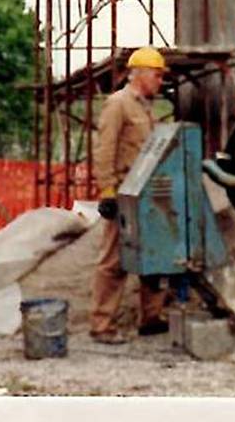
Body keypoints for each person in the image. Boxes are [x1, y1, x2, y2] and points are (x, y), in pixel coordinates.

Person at [89, 46, 170, 344]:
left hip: (147, 195)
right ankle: (101, 325)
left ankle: (150, 318)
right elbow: (105, 149)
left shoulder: (145, 107)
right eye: (158, 75)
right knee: (114, 261)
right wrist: (107, 191)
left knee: (154, 255)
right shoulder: (118, 104)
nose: (160, 82)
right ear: (140, 74)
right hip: (124, 194)